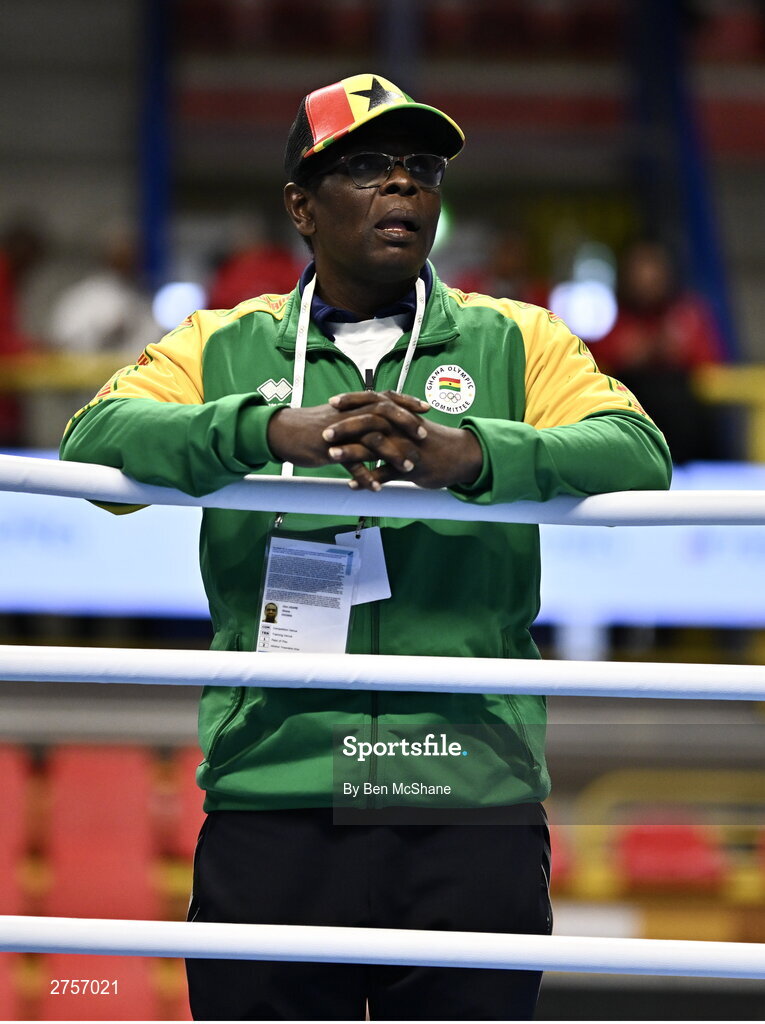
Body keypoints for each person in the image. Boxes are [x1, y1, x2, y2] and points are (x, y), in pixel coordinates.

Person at [60, 73, 671, 1021]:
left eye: (420, 169)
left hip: (466, 787)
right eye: (367, 169)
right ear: (300, 205)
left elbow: (637, 453)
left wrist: (470, 453)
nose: (403, 189)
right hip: (277, 788)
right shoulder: (222, 342)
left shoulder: (519, 337)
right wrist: (266, 430)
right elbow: (93, 440)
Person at [592, 239, 726, 463]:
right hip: (631, 445)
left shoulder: (690, 315)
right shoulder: (611, 321)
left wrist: (678, 353)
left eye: (652, 267)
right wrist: (627, 357)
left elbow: (714, 364)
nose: (646, 277)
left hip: (689, 445)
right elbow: (593, 368)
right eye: (638, 268)